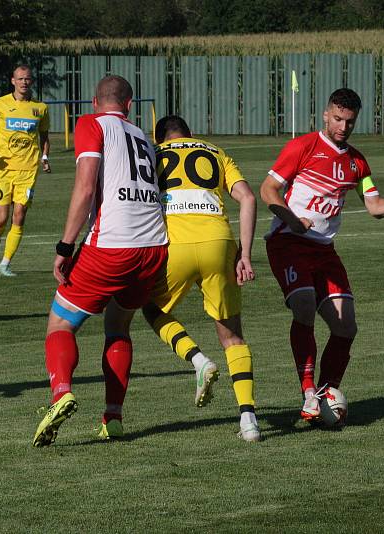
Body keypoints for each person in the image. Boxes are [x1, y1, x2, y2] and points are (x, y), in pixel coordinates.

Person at [260, 88, 384, 424]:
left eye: (349, 121)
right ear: (325, 114)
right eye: (337, 119)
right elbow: (267, 190)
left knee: (346, 326)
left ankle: (326, 392)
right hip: (288, 242)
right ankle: (308, 391)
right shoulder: (302, 147)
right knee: (304, 305)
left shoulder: (357, 162)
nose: (343, 126)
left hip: (324, 251)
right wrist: (293, 220)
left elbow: (375, 207)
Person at [33, 75, 168, 447]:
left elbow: (86, 186)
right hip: (154, 246)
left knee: (60, 322)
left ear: (95, 103)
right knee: (118, 324)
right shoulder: (143, 135)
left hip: (112, 245)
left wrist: (65, 246)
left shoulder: (90, 124)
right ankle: (113, 417)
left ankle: (61, 394)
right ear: (129, 106)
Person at [141, 115, 260, 442]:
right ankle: (248, 420)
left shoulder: (152, 154)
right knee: (232, 336)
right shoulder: (215, 151)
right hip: (218, 244)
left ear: (160, 136)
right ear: (189, 134)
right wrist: (245, 255)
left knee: (151, 309)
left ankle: (197, 359)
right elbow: (248, 198)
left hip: (174, 246)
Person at [0, 65, 51, 276]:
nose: (24, 82)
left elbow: (44, 135)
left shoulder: (41, 108)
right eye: (20, 79)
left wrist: (45, 157)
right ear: (13, 81)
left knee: (19, 215)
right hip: (2, 169)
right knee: (1, 218)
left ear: (32, 82)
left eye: (27, 79)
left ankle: (5, 265)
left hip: (28, 171)